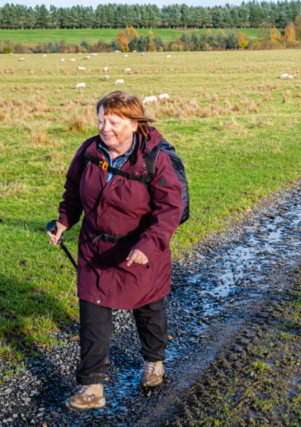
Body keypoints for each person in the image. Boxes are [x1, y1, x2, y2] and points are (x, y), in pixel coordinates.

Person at [47, 91, 183, 410]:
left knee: (148, 309)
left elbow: (169, 209)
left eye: (113, 121)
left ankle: (153, 362)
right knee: (93, 315)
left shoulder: (154, 159)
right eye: (100, 119)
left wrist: (148, 244)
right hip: (95, 248)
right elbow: (73, 192)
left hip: (141, 251)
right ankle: (91, 388)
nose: (104, 127)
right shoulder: (89, 152)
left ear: (135, 123)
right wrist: (64, 221)